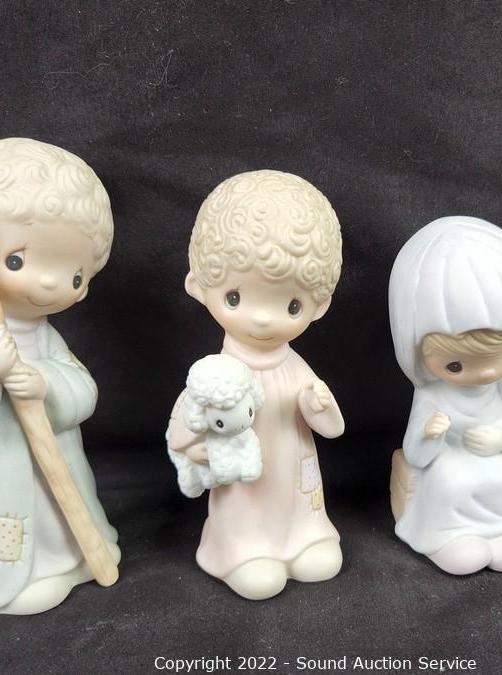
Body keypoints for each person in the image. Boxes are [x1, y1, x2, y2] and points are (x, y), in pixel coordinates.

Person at [0, 138, 119, 614]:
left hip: (58, 455)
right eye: (17, 260)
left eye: (75, 276)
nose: (49, 283)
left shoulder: (46, 337)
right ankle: (19, 576)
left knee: (62, 506)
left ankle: (72, 558)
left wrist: (45, 383)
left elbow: (83, 389)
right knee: (19, 515)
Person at [167, 169, 345, 600]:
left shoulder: (296, 367)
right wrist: (197, 448)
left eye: (291, 305)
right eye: (236, 298)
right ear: (199, 287)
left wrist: (319, 404)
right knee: (256, 560)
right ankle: (240, 550)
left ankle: (304, 539)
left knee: (320, 556)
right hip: (245, 493)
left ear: (320, 306)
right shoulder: (217, 373)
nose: (263, 319)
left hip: (294, 484)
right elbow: (184, 426)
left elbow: (331, 428)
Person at [388, 216, 502, 575]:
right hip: (448, 461)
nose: (486, 373)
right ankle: (449, 537)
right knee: (449, 480)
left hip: (492, 458)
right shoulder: (433, 393)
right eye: (456, 365)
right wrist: (431, 433)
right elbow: (415, 451)